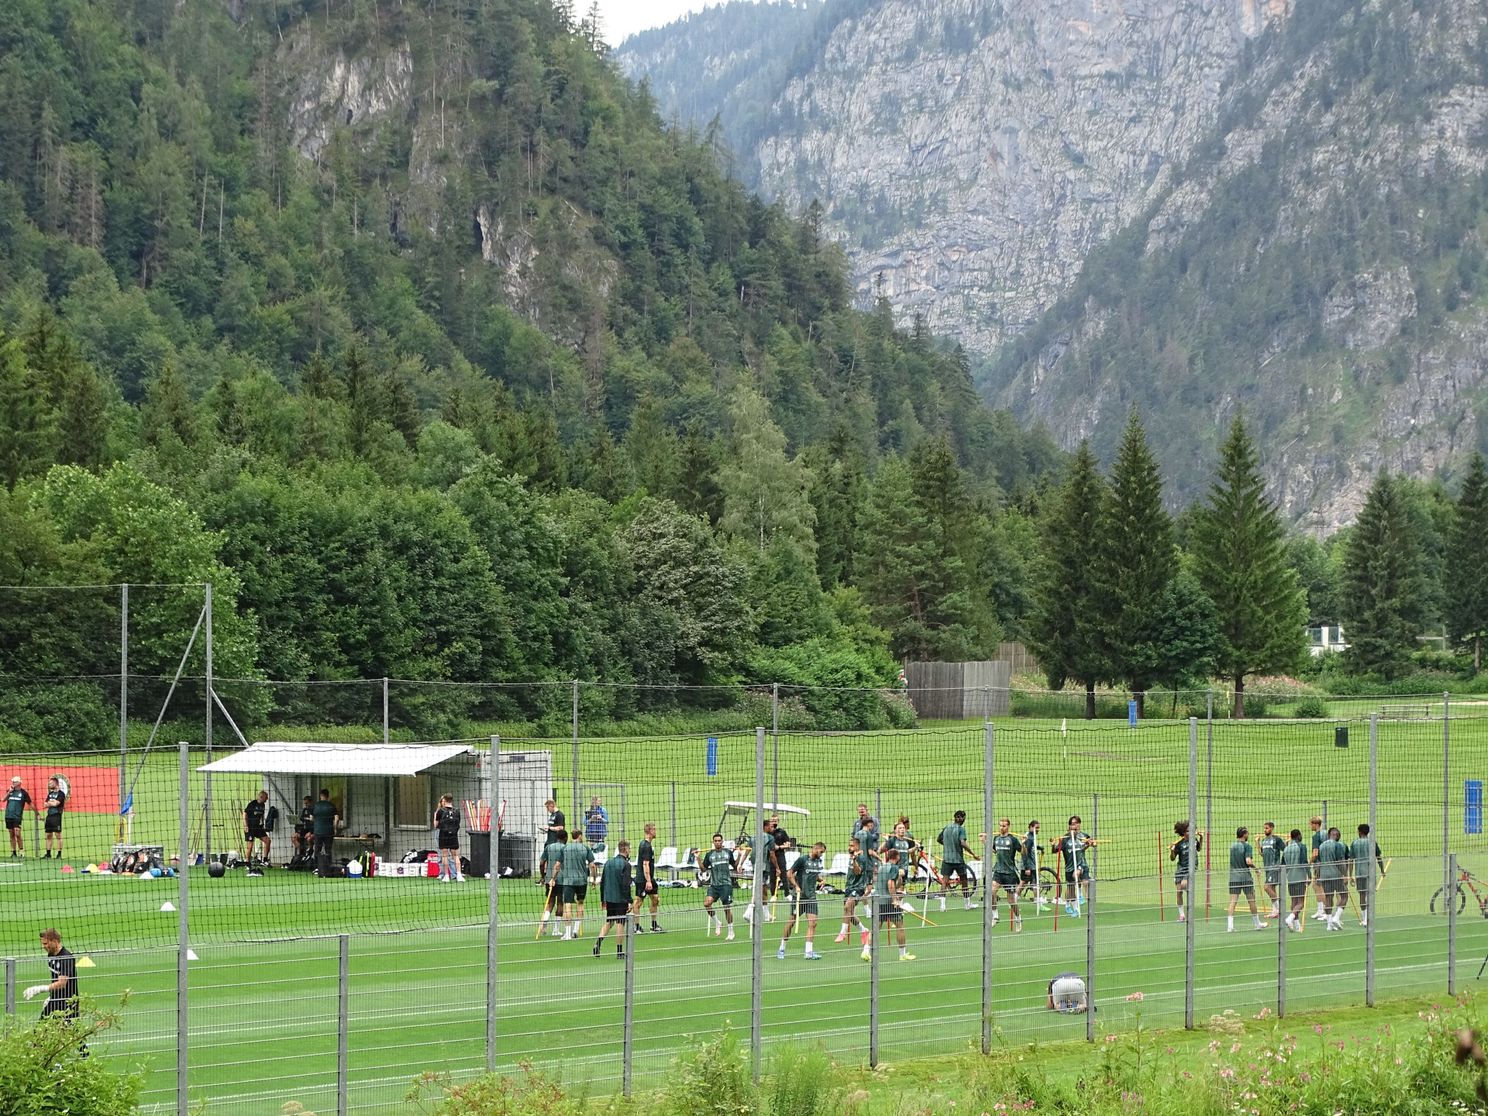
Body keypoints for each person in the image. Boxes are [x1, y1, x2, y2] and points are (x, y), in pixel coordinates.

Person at [778, 841, 825, 960]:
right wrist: (796, 886)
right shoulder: (802, 859)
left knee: (813, 923)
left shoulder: (818, 862)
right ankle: (782, 948)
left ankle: (808, 952)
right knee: (791, 922)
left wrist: (821, 880)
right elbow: (789, 874)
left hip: (811, 897)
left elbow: (813, 874)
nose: (821, 854)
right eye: (821, 852)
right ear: (815, 848)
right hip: (799, 897)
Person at [869, 847, 914, 962]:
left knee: (876, 928)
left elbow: (892, 883)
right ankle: (902, 954)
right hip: (889, 902)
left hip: (879, 901)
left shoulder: (882, 867)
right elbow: (890, 884)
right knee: (900, 926)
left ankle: (866, 951)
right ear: (897, 857)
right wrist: (895, 899)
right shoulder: (894, 867)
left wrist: (899, 878)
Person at [27, 928, 79, 1024]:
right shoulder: (51, 955)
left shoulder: (66, 957)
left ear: (55, 941)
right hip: (55, 1000)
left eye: (46, 943)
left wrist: (41, 988)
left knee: (70, 1035)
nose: (43, 946)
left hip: (68, 1003)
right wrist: (51, 997)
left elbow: (62, 983)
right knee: (40, 1031)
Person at [594, 839, 633, 958]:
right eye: (629, 849)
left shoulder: (608, 863)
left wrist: (603, 899)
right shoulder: (626, 865)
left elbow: (603, 882)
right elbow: (625, 885)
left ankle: (597, 944)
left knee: (609, 922)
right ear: (625, 850)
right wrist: (629, 900)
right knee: (620, 923)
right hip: (620, 898)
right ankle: (619, 951)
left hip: (609, 898)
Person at [938, 810, 982, 912]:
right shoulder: (961, 829)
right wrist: (973, 854)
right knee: (964, 881)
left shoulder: (946, 828)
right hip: (958, 859)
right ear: (961, 818)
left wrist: (947, 845)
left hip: (947, 859)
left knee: (944, 881)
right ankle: (967, 904)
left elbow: (939, 839)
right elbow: (962, 843)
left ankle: (942, 906)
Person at [1226, 826, 1267, 932]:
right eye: (1247, 833)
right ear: (1244, 834)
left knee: (1233, 901)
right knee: (1251, 900)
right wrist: (1256, 869)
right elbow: (1248, 861)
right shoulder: (1247, 846)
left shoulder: (1232, 846)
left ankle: (1230, 926)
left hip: (1233, 877)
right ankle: (1257, 924)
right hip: (1245, 877)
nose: (1248, 835)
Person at [834, 835, 873, 947]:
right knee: (849, 914)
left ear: (857, 846)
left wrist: (854, 860)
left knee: (847, 908)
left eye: (851, 845)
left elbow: (858, 872)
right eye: (849, 845)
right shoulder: (852, 856)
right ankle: (864, 930)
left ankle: (843, 933)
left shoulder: (861, 858)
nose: (849, 847)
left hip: (858, 888)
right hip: (849, 887)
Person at [558, 829, 596, 940]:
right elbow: (592, 865)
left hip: (568, 881)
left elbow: (557, 865)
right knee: (580, 903)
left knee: (568, 905)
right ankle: (576, 929)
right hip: (582, 881)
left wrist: (553, 878)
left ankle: (568, 933)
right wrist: (593, 879)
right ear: (579, 836)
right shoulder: (585, 848)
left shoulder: (565, 848)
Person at [701, 833, 739, 941]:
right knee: (707, 903)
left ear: (722, 842)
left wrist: (740, 855)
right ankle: (718, 922)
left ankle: (731, 931)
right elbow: (703, 869)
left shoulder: (728, 853)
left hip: (726, 885)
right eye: (715, 841)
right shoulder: (709, 855)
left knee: (726, 908)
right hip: (714, 885)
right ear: (713, 842)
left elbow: (735, 866)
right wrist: (697, 858)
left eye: (719, 841)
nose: (717, 842)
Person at [1053, 815, 1095, 916]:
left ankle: (1089, 909)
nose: (1074, 826)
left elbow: (1089, 844)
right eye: (1072, 824)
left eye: (1076, 823)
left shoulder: (1082, 836)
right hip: (1069, 866)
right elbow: (1055, 850)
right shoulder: (1065, 839)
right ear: (1069, 827)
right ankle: (1069, 905)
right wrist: (1053, 845)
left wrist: (1091, 843)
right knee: (1071, 888)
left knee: (1085, 882)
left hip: (1081, 864)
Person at [987, 817, 1022, 931]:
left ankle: (1018, 918)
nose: (1001, 828)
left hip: (1010, 873)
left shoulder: (1013, 840)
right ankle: (995, 916)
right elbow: (994, 850)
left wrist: (1024, 844)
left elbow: (1023, 852)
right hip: (998, 871)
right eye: (1000, 825)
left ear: (1008, 827)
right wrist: (985, 843)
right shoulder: (996, 838)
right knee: (991, 891)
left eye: (1004, 826)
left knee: (1011, 901)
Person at [1350, 823, 1385, 927]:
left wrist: (1349, 874)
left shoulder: (1354, 843)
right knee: (1370, 895)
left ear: (1359, 832)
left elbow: (1351, 860)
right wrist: (1382, 870)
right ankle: (1369, 918)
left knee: (1362, 895)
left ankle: (1364, 918)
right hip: (1370, 873)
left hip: (1359, 873)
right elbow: (1379, 857)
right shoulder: (1372, 842)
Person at [633, 822, 664, 933]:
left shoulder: (648, 845)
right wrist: (648, 881)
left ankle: (654, 925)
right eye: (654, 829)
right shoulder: (646, 846)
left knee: (655, 899)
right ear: (649, 831)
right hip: (643, 879)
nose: (656, 831)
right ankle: (636, 927)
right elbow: (645, 864)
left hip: (649, 878)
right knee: (638, 903)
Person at [1317, 825, 1349, 930]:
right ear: (1337, 835)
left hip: (1324, 875)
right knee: (1344, 895)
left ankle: (1329, 924)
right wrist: (1345, 875)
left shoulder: (1321, 846)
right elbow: (1341, 862)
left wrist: (1318, 875)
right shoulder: (1338, 845)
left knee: (1328, 898)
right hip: (1335, 875)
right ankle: (1336, 917)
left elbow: (1319, 863)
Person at [1170, 820, 1202, 923]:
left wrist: (1201, 838)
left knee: (1184, 885)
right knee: (1179, 891)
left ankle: (1190, 908)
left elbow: (1199, 849)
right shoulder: (1179, 844)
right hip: (1181, 869)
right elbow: (1172, 858)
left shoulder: (1195, 840)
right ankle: (1182, 915)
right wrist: (1172, 850)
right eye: (1188, 831)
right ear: (1184, 832)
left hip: (1191, 868)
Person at [538, 827, 567, 937]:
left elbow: (541, 862)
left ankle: (544, 925)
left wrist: (543, 876)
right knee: (560, 903)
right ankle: (556, 929)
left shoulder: (549, 847)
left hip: (549, 878)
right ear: (565, 838)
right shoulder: (566, 848)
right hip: (562, 879)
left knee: (550, 903)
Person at [1282, 828, 1309, 932]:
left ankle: (1296, 925)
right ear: (1298, 836)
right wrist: (1309, 875)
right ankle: (1290, 918)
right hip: (1300, 876)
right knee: (1301, 902)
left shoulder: (1286, 848)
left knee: (1294, 900)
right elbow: (1304, 862)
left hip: (1290, 877)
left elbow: (1283, 864)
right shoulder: (1301, 846)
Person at [433, 794, 464, 882]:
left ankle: (446, 875)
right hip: (453, 835)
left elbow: (436, 825)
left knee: (445, 856)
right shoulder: (457, 811)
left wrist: (435, 816)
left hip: (443, 835)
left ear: (444, 800)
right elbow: (458, 824)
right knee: (455, 855)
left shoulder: (440, 811)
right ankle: (459, 875)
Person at [1258, 821, 1285, 919]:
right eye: (1264, 828)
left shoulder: (1276, 839)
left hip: (1274, 867)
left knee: (1267, 887)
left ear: (1272, 828)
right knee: (1272, 889)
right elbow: (1262, 854)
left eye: (1267, 828)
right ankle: (1275, 911)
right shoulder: (1264, 841)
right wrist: (1257, 843)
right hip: (1267, 867)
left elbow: (1285, 850)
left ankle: (1279, 909)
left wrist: (1281, 864)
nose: (1265, 830)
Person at [311, 788, 339, 877]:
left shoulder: (316, 805)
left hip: (318, 831)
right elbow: (337, 818)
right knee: (328, 850)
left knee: (317, 850)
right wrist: (335, 828)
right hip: (328, 831)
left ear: (320, 795)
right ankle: (328, 868)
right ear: (328, 796)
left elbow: (311, 818)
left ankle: (317, 868)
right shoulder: (331, 805)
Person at [1021, 821, 1047, 910]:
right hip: (1030, 865)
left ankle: (1013, 899)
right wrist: (1027, 867)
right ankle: (1038, 902)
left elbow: (1031, 847)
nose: (1038, 830)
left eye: (1038, 828)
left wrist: (1039, 847)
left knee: (1023, 883)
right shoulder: (1029, 838)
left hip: (1030, 864)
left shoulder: (1031, 836)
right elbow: (1025, 853)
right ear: (1031, 827)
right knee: (1035, 883)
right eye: (1036, 828)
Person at [6, 776, 31, 858]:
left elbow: (30, 803)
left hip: (17, 816)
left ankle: (21, 850)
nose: (13, 783)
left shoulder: (24, 793)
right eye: (13, 782)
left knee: (17, 833)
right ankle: (13, 852)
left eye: (15, 782)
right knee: (11, 834)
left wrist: (37, 813)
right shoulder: (10, 791)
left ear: (19, 783)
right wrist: (9, 792)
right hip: (8, 815)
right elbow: (3, 799)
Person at [1308, 815, 1327, 920]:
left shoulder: (1316, 836)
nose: (1310, 826)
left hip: (1319, 864)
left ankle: (1325, 911)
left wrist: (1309, 862)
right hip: (1326, 863)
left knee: (1319, 887)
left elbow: (1315, 853)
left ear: (1315, 824)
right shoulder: (1326, 834)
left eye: (1311, 824)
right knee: (1315, 886)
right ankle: (1320, 910)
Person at [243, 790, 269, 865]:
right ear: (261, 797)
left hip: (258, 827)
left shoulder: (263, 805)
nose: (267, 799)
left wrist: (262, 824)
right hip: (250, 827)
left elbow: (261, 816)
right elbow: (245, 814)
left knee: (267, 841)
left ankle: (265, 860)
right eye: (266, 797)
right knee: (250, 845)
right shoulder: (252, 804)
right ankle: (247, 862)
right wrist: (246, 825)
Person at [42, 776, 65, 859]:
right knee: (48, 835)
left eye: (51, 783)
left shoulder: (61, 794)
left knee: (58, 835)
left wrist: (50, 803)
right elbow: (44, 804)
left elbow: (56, 804)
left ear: (56, 784)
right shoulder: (50, 794)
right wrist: (51, 802)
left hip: (56, 816)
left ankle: (59, 854)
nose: (49, 784)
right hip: (49, 816)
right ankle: (48, 854)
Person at [292, 795, 314, 862]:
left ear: (311, 802)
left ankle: (310, 851)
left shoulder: (314, 810)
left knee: (309, 838)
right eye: (305, 803)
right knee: (294, 837)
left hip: (312, 831)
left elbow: (315, 823)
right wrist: (297, 831)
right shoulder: (305, 810)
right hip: (303, 830)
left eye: (307, 803)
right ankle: (301, 852)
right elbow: (301, 821)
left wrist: (310, 832)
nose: (306, 805)